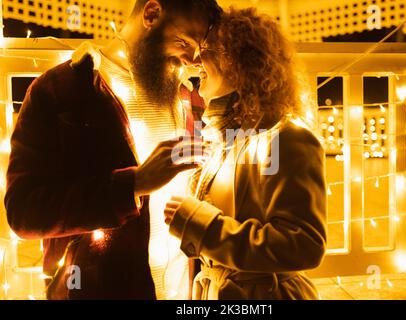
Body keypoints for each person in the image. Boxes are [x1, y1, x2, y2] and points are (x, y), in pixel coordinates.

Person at [4, 0, 222, 300]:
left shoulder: (189, 99)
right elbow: (24, 212)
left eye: (198, 50)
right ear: (151, 14)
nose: (191, 60)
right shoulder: (62, 90)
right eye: (184, 42)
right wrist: (132, 185)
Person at [164, 7, 327, 300]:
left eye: (209, 49)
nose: (197, 60)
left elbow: (304, 245)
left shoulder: (286, 138)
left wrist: (202, 226)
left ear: (242, 60)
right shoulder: (223, 138)